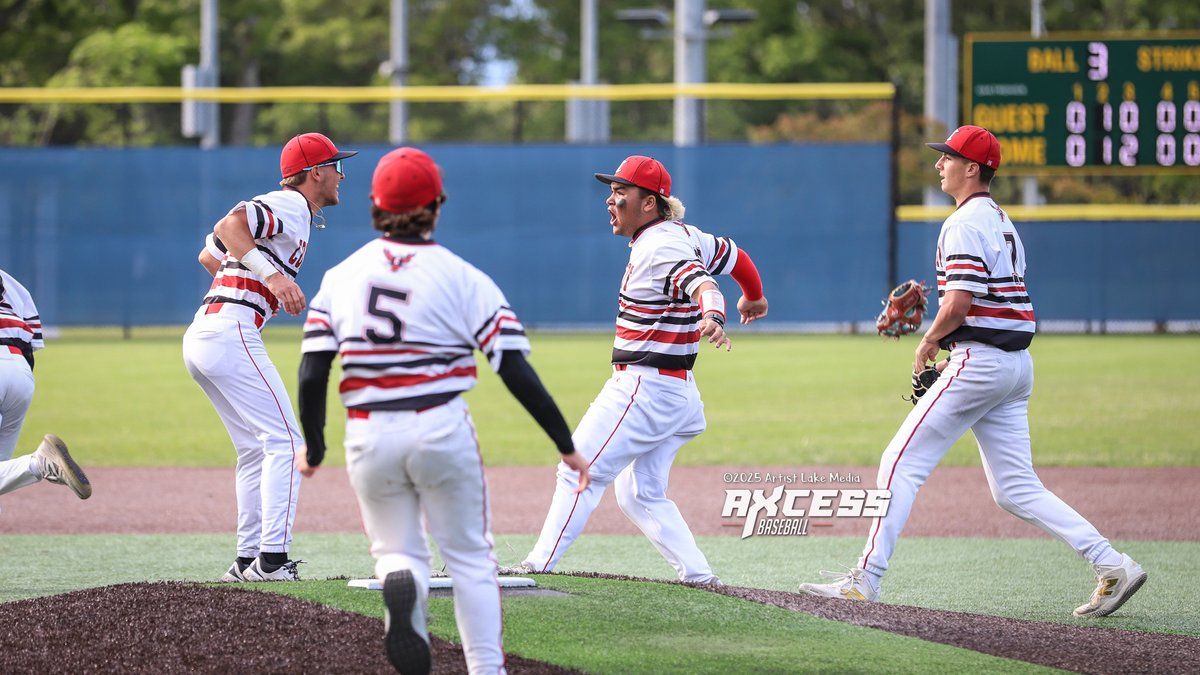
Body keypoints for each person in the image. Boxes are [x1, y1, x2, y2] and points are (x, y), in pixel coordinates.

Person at [797, 125, 1147, 618]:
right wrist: (950, 336)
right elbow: (984, 302)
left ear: (973, 168)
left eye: (949, 157)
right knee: (1016, 488)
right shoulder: (1000, 220)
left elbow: (959, 303)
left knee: (899, 462)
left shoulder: (962, 223)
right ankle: (1112, 564)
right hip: (1014, 367)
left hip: (981, 363)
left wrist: (930, 339)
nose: (940, 164)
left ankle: (864, 580)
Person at [295, 146, 589, 675]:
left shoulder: (341, 277)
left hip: (368, 434)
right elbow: (516, 371)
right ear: (437, 204)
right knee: (472, 560)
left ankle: (402, 585)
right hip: (439, 426)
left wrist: (313, 447)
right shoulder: (461, 276)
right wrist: (565, 444)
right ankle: (485, 668)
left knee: (396, 552)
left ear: (373, 205)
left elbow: (313, 372)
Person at [502, 155, 768, 584]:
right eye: (611, 192)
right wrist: (753, 295)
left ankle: (537, 566)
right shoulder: (685, 234)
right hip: (677, 393)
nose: (610, 201)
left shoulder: (660, 247)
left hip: (645, 388)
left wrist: (715, 317)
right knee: (638, 492)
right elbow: (734, 255)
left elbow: (704, 284)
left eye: (620, 194)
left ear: (649, 203)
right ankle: (699, 576)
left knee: (579, 469)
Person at [182, 132, 356, 583]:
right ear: (314, 172)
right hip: (230, 330)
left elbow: (209, 255)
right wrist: (272, 278)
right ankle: (273, 562)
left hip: (207, 330)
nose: (341, 175)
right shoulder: (291, 204)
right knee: (287, 443)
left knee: (254, 451)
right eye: (336, 166)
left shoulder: (294, 211)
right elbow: (227, 229)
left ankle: (246, 562)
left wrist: (250, 272)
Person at [0, 269, 91, 501]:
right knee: (3, 473)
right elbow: (30, 346)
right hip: (18, 371)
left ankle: (40, 464)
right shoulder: (12, 283)